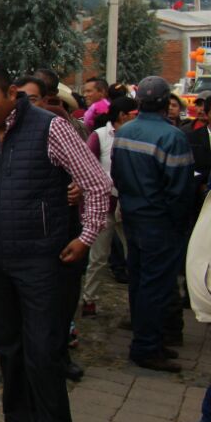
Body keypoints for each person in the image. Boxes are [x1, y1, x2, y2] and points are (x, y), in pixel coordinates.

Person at [0, 63, 110, 422]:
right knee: (7, 347)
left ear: (10, 93)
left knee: (44, 353)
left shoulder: (51, 128)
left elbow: (97, 184)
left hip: (42, 260)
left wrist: (85, 237)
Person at [112, 76, 196, 372]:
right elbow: (180, 189)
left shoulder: (124, 133)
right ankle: (147, 347)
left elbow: (117, 175)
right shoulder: (172, 137)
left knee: (139, 281)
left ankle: (149, 340)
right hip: (159, 222)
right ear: (164, 102)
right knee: (156, 286)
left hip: (134, 216)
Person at [80, 97, 137, 316]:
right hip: (105, 205)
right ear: (123, 115)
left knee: (134, 255)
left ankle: (135, 304)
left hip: (128, 204)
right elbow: (87, 168)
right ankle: (89, 299)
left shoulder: (133, 134)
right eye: (134, 113)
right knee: (98, 256)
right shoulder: (100, 136)